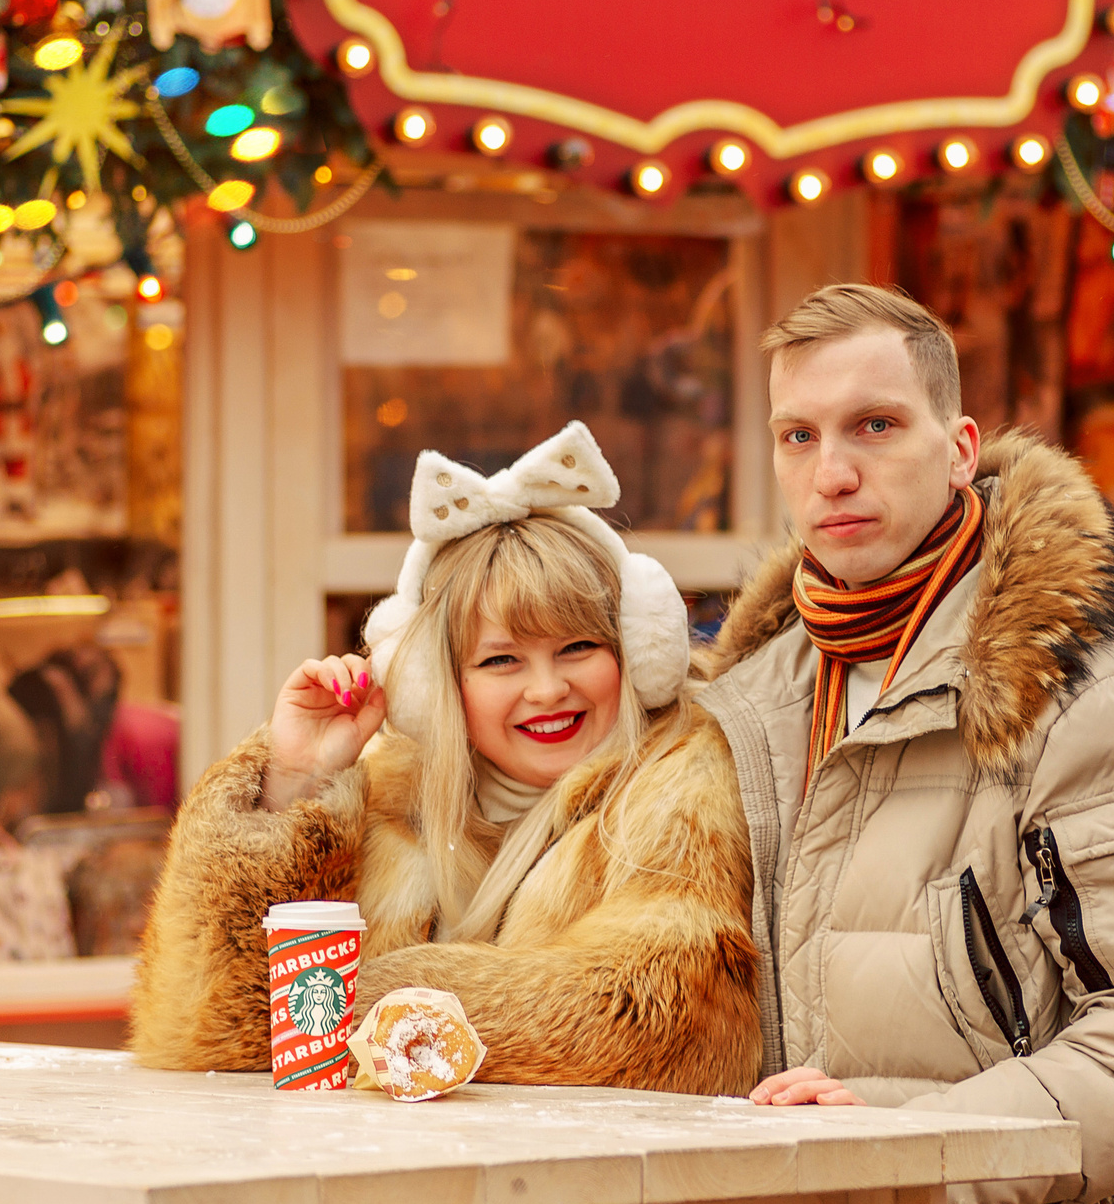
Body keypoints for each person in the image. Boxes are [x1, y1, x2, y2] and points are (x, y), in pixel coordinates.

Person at [698, 284, 1114, 1204]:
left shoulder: (1081, 693)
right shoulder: (745, 712)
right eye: (797, 435)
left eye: (875, 425)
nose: (834, 472)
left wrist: (900, 1165)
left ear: (958, 449)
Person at [129, 422, 760, 1094]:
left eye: (578, 647)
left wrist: (376, 1002)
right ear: (439, 688)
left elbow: (673, 1028)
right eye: (502, 660)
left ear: (635, 651)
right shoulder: (389, 803)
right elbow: (215, 1035)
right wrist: (296, 780)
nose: (547, 689)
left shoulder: (681, 788)